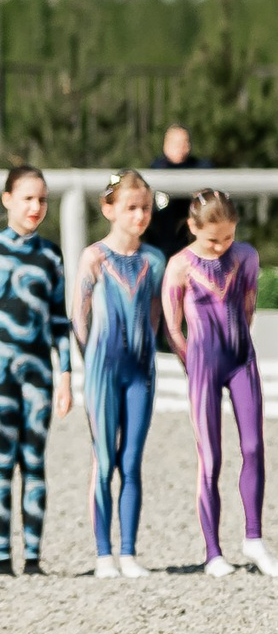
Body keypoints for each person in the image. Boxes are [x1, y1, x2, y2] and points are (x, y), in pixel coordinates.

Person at [161, 190, 278, 577]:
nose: (219, 247)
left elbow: (247, 307)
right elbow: (172, 325)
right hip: (203, 364)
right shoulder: (180, 265)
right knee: (211, 458)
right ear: (193, 227)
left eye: (227, 238)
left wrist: (238, 346)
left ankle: (254, 538)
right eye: (212, 239)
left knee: (253, 446)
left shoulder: (246, 256)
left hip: (240, 359)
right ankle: (213, 551)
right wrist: (192, 362)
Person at [72, 170, 165, 578]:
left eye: (145, 208)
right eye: (131, 208)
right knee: (103, 460)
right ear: (109, 209)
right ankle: (103, 554)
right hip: (103, 372)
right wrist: (89, 362)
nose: (139, 215)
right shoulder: (94, 257)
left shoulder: (154, 260)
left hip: (140, 373)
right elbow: (79, 317)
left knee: (131, 462)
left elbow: (158, 318)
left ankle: (128, 551)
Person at [0, 167, 71, 575]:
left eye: (42, 199)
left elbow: (60, 321)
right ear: (7, 199)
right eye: (27, 198)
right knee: (1, 464)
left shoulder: (50, 255)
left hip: (38, 376)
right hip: (1, 377)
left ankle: (31, 558)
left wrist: (64, 375)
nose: (35, 207)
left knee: (34, 461)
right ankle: (1, 557)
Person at [143, 125, 211, 264]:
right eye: (176, 143)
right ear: (165, 146)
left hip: (193, 244)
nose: (182, 147)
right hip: (162, 245)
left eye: (185, 142)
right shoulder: (156, 170)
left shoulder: (200, 167)